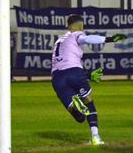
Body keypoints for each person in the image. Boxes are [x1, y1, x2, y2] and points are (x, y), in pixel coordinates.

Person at [51, 14, 126, 145]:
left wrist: (87, 75)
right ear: (80, 25)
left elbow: (64, 65)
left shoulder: (59, 41)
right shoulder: (76, 35)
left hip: (57, 78)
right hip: (74, 72)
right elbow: (88, 39)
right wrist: (110, 39)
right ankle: (95, 136)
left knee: (79, 117)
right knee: (88, 102)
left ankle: (76, 103)